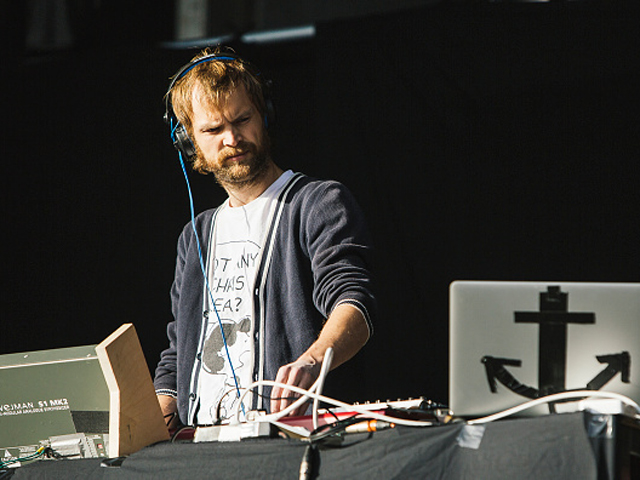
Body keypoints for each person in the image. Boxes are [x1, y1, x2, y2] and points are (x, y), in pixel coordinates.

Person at [153, 47, 376, 427]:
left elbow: (353, 301)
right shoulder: (195, 236)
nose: (232, 138)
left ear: (264, 114)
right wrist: (149, 419)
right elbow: (179, 352)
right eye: (213, 130)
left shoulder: (317, 203)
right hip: (197, 444)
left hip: (286, 435)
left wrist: (313, 359)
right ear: (188, 141)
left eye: (242, 119)